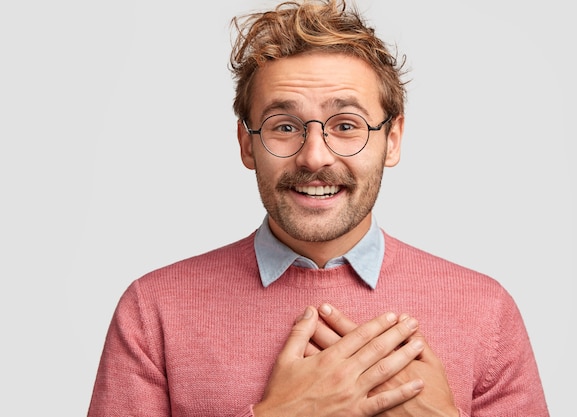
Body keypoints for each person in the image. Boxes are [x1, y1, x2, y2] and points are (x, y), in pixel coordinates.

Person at [87, 1, 549, 416]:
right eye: (284, 126)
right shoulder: (153, 311)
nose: (314, 156)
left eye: (346, 125)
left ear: (393, 139)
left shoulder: (486, 311)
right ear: (247, 144)